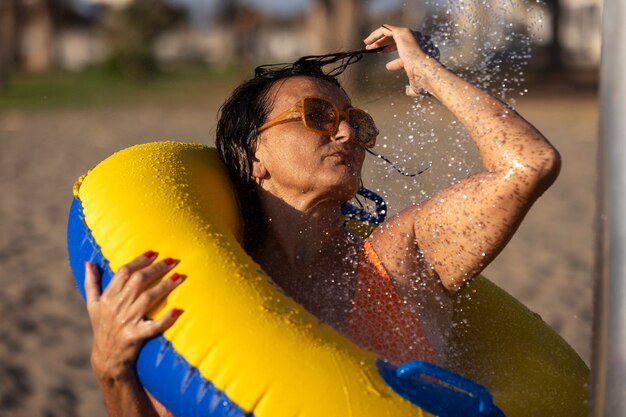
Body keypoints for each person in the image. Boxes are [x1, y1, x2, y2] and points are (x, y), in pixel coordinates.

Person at [82, 24, 561, 416]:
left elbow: (529, 163)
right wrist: (111, 368)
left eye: (358, 121)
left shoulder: (402, 258)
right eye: (317, 115)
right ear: (252, 155)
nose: (349, 131)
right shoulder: (213, 283)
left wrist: (429, 74)